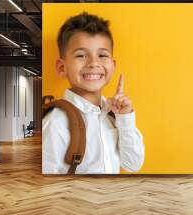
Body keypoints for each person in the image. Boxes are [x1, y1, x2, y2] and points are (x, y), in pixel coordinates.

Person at [42, 12, 145, 174]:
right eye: (81, 55)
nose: (94, 63)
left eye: (102, 55)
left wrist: (125, 119)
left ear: (113, 65)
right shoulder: (56, 122)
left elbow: (132, 165)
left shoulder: (113, 115)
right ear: (62, 67)